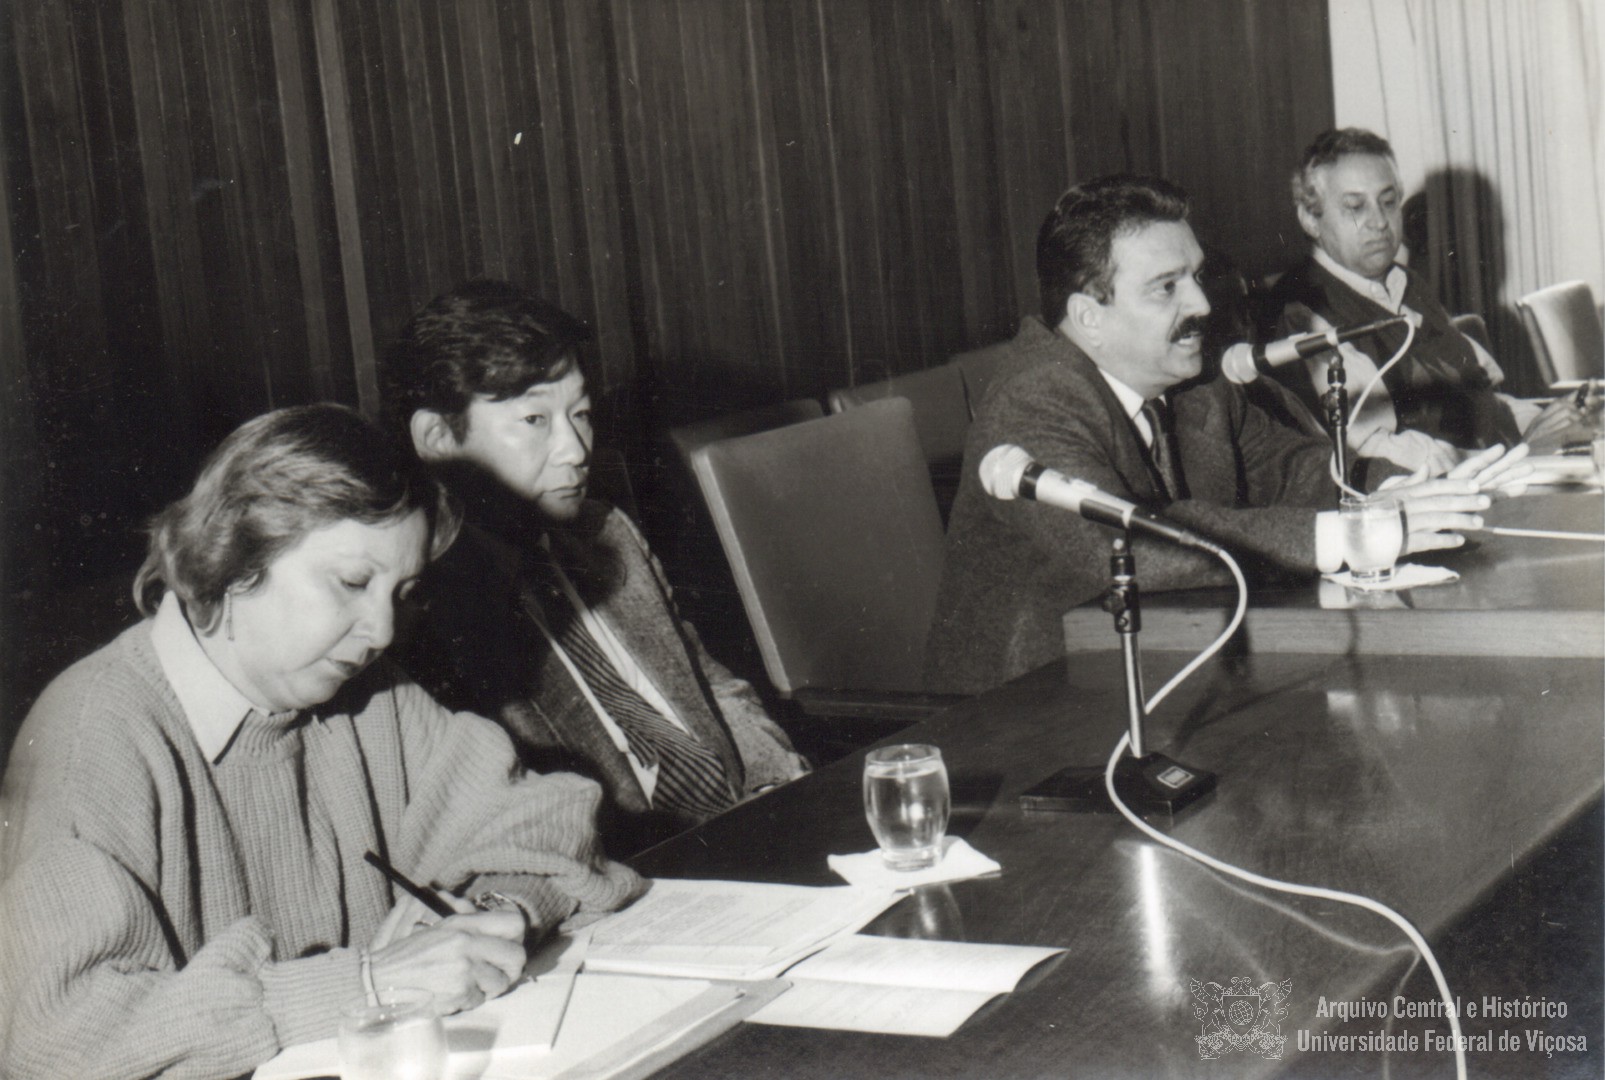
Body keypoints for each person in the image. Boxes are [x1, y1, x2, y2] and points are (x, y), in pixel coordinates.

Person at [0, 404, 642, 1079]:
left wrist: (486, 915)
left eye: (403, 591)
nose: (382, 630)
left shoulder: (362, 693)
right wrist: (362, 985)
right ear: (235, 559)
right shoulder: (94, 734)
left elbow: (544, 815)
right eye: (352, 583)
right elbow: (54, 1042)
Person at [925, 175, 1528, 695]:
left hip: (1164, 665)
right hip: (1030, 707)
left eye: (1196, 276)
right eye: (1167, 287)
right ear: (1089, 316)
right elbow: (1125, 540)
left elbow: (1291, 468)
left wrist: (1417, 486)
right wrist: (1354, 532)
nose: (1202, 304)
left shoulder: (1192, 380)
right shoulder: (1035, 398)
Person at [380, 280, 807, 857]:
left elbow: (713, 688)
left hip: (750, 826)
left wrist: (778, 787)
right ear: (436, 438)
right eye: (535, 419)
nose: (576, 450)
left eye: (580, 414)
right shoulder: (419, 614)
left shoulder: (608, 533)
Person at [1262, 127, 1591, 471]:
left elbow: (1480, 397)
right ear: (1310, 219)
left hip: (1492, 468)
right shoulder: (1303, 311)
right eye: (1356, 207)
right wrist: (1516, 450)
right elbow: (1372, 451)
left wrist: (1543, 421)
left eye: (1389, 202)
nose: (1379, 222)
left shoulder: (1406, 283)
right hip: (1435, 489)